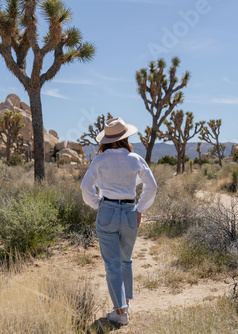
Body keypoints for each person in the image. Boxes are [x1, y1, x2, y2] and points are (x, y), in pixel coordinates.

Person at [80, 117, 157, 326]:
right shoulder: (135, 158)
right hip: (130, 211)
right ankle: (126, 303)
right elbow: (152, 186)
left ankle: (120, 312)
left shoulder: (100, 160)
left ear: (106, 139)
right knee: (126, 260)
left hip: (108, 211)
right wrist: (140, 209)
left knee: (112, 264)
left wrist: (98, 205)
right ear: (126, 137)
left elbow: (85, 188)